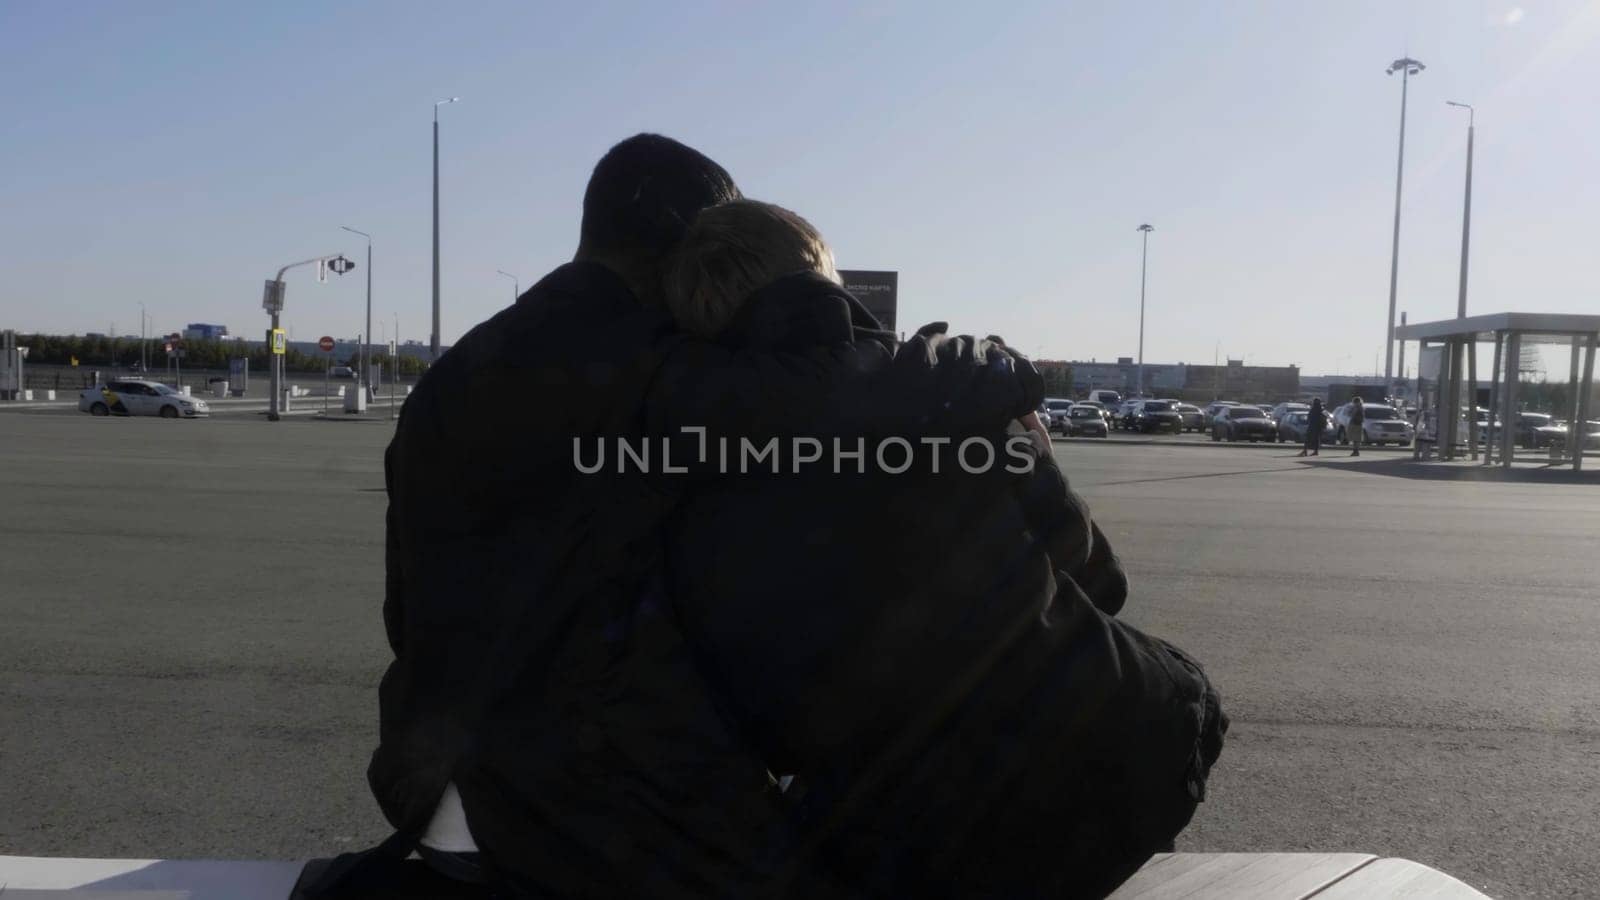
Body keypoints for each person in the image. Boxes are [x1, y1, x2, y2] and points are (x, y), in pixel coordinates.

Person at [309, 136, 1047, 900]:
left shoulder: (465, 368)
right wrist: (990, 370)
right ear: (684, 239)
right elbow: (842, 399)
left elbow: (406, 608)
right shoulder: (630, 362)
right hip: (574, 810)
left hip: (441, 785)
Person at [660, 200, 1227, 899]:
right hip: (1125, 754)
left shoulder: (679, 468)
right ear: (821, 277)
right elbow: (1101, 582)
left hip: (909, 840)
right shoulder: (955, 391)